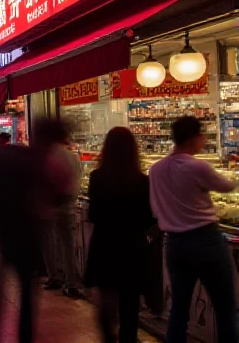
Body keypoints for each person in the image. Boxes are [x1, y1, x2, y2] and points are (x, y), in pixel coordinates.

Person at [149, 116, 238, 343]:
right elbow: (227, 186)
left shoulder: (156, 170)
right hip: (206, 241)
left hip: (175, 245)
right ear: (194, 138)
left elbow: (155, 207)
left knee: (179, 309)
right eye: (203, 136)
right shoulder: (197, 166)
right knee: (224, 307)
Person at [85, 127, 154, 343]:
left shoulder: (97, 177)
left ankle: (108, 336)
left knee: (107, 301)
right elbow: (147, 218)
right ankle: (128, 338)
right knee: (130, 302)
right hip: (132, 246)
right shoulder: (142, 181)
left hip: (105, 245)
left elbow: (93, 214)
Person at [0, 138, 39, 343]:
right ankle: (26, 335)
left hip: (7, 237)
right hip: (28, 239)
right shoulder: (32, 177)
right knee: (26, 292)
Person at [36, 119, 82, 298]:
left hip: (48, 207)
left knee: (48, 242)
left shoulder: (45, 155)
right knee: (67, 244)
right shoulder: (72, 156)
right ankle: (71, 282)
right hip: (68, 205)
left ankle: (54, 276)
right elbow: (78, 177)